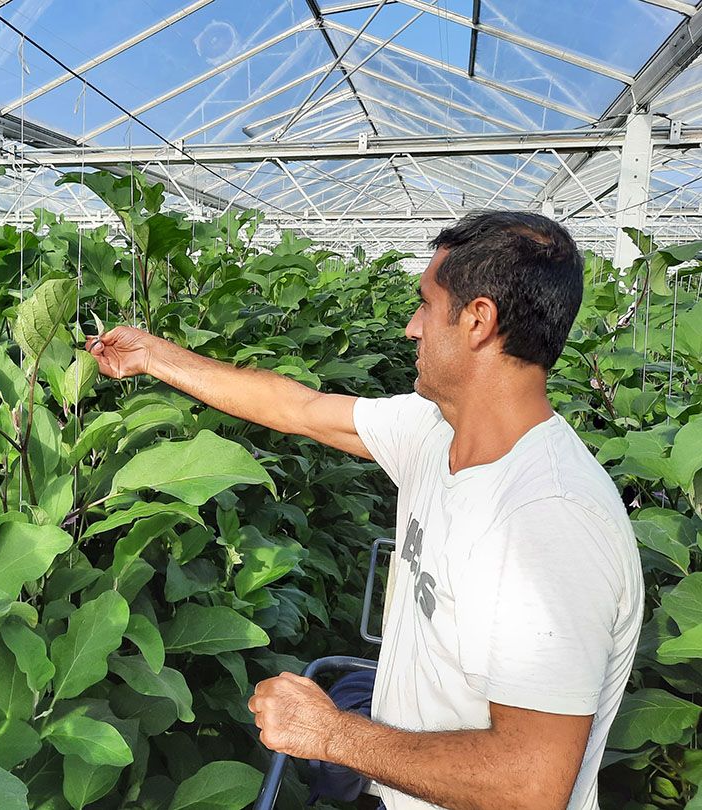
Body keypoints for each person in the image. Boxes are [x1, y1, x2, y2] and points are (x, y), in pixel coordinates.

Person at [85, 211, 643, 810]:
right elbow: (297, 407)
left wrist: (328, 733)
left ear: (479, 320)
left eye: (426, 305)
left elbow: (529, 785)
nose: (410, 328)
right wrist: (154, 356)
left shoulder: (546, 520)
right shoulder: (434, 430)